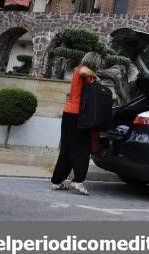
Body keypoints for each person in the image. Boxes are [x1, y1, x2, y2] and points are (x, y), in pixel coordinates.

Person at [50, 51, 102, 195]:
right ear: (94, 63)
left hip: (68, 114)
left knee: (66, 150)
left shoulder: (77, 71)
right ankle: (78, 181)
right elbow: (86, 71)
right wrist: (97, 77)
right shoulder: (82, 70)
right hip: (77, 117)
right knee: (82, 150)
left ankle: (56, 181)